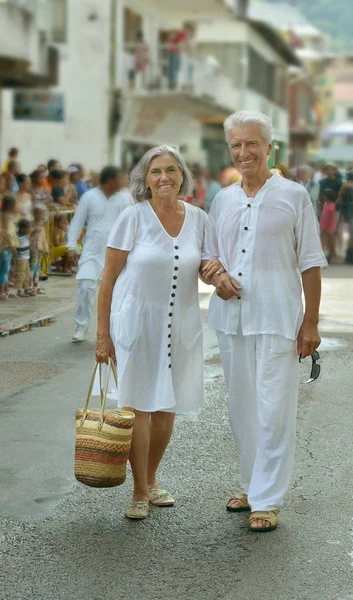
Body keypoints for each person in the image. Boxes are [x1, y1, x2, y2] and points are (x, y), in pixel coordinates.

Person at [202, 110, 327, 533]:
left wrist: (310, 323)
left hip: (277, 317)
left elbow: (310, 262)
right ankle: (251, 484)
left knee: (274, 409)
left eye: (251, 143)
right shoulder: (223, 199)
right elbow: (208, 256)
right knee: (242, 408)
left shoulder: (294, 195)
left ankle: (268, 499)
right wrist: (215, 276)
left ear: (269, 147)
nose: (243, 152)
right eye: (236, 145)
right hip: (231, 319)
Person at [95, 145, 221, 520]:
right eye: (156, 172)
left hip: (181, 322)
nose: (164, 177)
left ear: (182, 176)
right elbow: (107, 282)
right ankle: (137, 489)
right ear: (145, 181)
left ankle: (151, 480)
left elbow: (207, 265)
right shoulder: (133, 218)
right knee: (137, 407)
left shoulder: (199, 218)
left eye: (171, 170)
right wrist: (103, 336)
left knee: (167, 408)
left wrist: (225, 277)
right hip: (136, 321)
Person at [68, 166, 131, 342]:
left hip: (117, 253)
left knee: (116, 292)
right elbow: (77, 222)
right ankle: (81, 325)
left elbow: (131, 225)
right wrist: (71, 246)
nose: (124, 181)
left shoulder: (124, 198)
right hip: (91, 252)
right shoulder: (89, 197)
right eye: (120, 178)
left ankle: (111, 329)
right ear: (110, 179)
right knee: (86, 286)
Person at [339, 169, 353, 265]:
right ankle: (351, 254)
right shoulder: (347, 185)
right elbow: (341, 196)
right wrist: (345, 187)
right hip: (351, 212)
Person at [0, 195, 18, 300]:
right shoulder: (5, 215)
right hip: (6, 245)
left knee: (7, 268)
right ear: (10, 206)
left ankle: (6, 290)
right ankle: (2, 291)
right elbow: (5, 232)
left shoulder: (9, 215)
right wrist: (11, 245)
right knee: (5, 268)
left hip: (9, 245)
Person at [30, 206, 48, 294]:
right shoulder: (31, 223)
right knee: (32, 267)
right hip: (33, 248)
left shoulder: (42, 224)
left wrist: (46, 247)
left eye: (43, 213)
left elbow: (43, 236)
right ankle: (30, 286)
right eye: (40, 213)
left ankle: (36, 285)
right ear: (34, 214)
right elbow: (28, 234)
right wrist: (33, 230)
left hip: (40, 249)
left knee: (38, 267)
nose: (41, 215)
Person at [15, 218, 33, 297]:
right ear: (23, 228)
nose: (29, 229)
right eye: (28, 227)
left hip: (26, 257)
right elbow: (17, 247)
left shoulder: (26, 235)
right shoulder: (19, 237)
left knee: (27, 274)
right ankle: (19, 290)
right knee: (21, 274)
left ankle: (26, 288)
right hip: (21, 258)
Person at [320, 189, 337, 263]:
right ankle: (324, 254)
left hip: (329, 227)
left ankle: (332, 255)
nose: (323, 197)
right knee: (324, 240)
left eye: (325, 195)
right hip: (324, 226)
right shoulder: (325, 204)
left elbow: (332, 218)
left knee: (330, 241)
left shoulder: (332, 206)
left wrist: (330, 227)